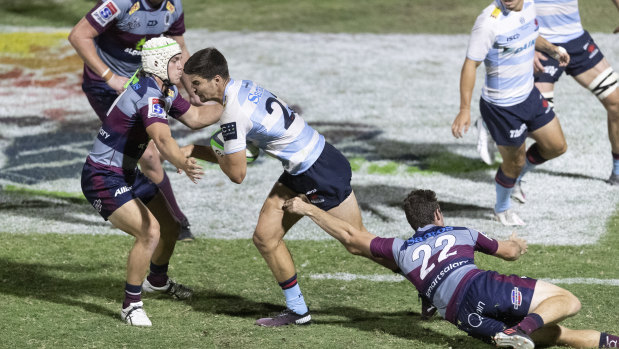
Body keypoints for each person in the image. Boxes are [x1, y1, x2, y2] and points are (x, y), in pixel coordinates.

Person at [181, 47, 399, 327]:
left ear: (217, 80)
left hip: (317, 173)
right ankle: (298, 310)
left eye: (197, 84)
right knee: (265, 237)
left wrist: (207, 149)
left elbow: (237, 174)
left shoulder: (232, 114)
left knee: (356, 242)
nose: (194, 92)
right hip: (308, 164)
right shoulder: (246, 87)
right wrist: (196, 147)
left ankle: (423, 278)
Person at [282, 189, 619, 348]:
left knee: (555, 335)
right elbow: (510, 254)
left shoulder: (400, 249)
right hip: (480, 288)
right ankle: (519, 329)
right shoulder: (462, 233)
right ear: (438, 214)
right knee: (568, 302)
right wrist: (517, 243)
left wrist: (307, 209)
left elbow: (352, 236)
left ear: (413, 223)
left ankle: (610, 343)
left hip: (461, 316)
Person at [80, 37, 221, 326]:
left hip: (125, 173)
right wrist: (181, 161)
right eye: (176, 61)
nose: (182, 66)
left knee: (171, 227)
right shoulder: (148, 94)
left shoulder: (163, 88)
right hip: (102, 177)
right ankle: (130, 305)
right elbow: (161, 139)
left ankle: (156, 281)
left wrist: (232, 102)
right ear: (159, 63)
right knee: (150, 232)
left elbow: (195, 117)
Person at [69, 0, 200, 241]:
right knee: (149, 154)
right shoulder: (119, 3)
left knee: (148, 153)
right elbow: (79, 35)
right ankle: (177, 221)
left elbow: (178, 44)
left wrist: (191, 85)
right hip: (105, 86)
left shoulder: (173, 6)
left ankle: (165, 216)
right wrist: (110, 77)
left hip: (143, 84)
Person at [451, 0, 571, 226]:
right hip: (502, 108)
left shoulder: (529, 5)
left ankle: (514, 176)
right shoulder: (488, 22)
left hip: (529, 95)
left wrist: (552, 50)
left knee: (556, 146)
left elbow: (529, 34)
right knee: (513, 164)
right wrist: (464, 109)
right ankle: (502, 208)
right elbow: (470, 64)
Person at [533, 0, 619, 186]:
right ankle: (496, 123)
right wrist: (523, 43)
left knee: (616, 103)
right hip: (542, 46)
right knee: (536, 122)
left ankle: (618, 169)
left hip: (577, 42)